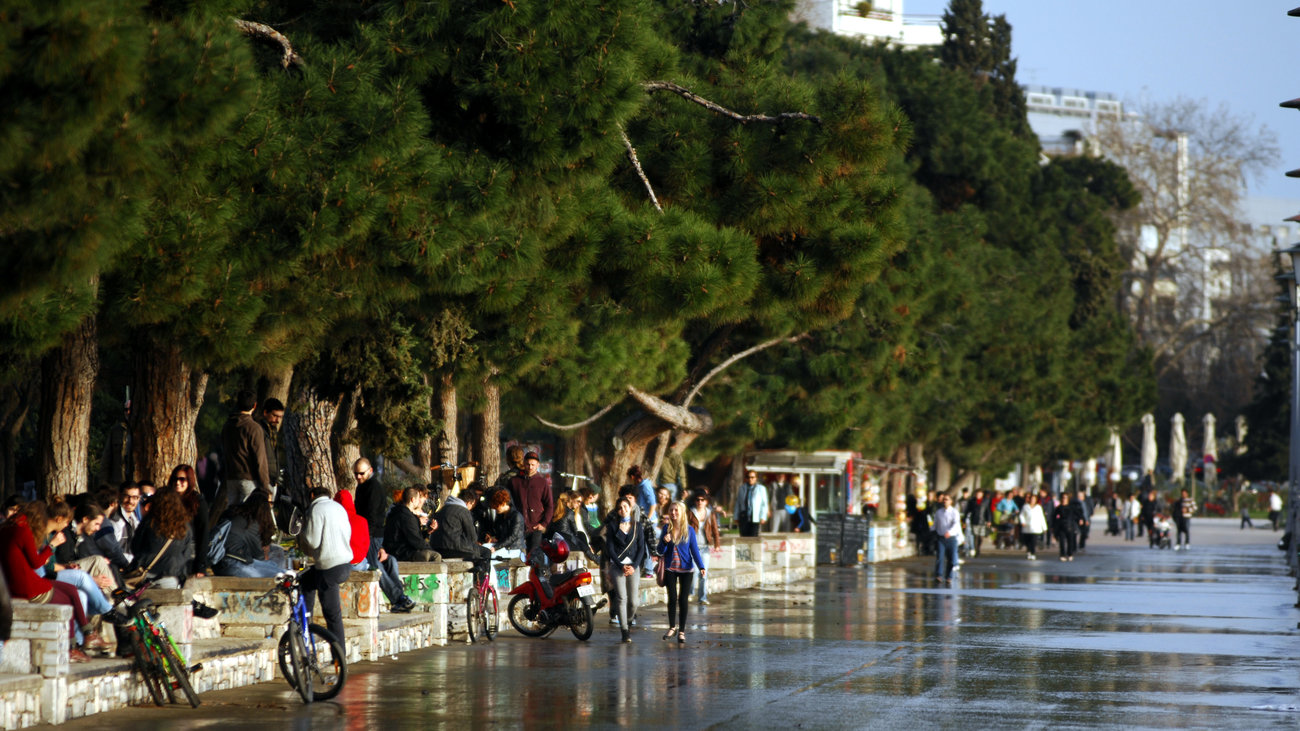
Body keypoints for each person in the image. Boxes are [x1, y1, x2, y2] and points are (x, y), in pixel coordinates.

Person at [0, 500, 109, 662]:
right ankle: (71, 647)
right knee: (68, 599)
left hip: (19, 582)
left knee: (72, 590)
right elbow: (36, 562)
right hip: (27, 587)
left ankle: (88, 634)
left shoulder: (7, 529)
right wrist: (51, 546)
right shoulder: (23, 531)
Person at [335, 488, 414, 612]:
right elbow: (366, 544)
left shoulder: (337, 521)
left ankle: (400, 598)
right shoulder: (360, 521)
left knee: (390, 560)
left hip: (351, 561)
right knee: (376, 566)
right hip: (355, 562)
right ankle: (399, 599)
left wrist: (380, 549)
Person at [299, 487, 352, 643]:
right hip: (345, 564)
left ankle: (339, 659)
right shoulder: (339, 507)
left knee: (332, 615)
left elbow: (312, 541)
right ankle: (306, 621)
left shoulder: (316, 509)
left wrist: (302, 532)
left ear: (312, 495)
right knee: (306, 580)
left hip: (329, 568)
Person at [656, 501, 705, 644]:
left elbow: (694, 550)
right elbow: (660, 551)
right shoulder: (666, 528)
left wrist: (701, 566)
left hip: (686, 569)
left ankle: (682, 631)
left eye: (676, 510)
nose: (673, 513)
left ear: (682, 512)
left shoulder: (689, 530)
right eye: (671, 510)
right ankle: (672, 627)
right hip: (670, 568)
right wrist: (664, 542)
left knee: (683, 599)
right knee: (672, 598)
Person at [131, 489, 196, 588]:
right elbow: (186, 554)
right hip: (172, 577)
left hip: (146, 574)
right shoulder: (185, 528)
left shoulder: (149, 522)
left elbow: (135, 546)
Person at [604, 496, 646, 643]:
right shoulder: (612, 526)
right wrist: (621, 565)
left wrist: (634, 567)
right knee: (622, 598)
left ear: (630, 508)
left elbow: (641, 549)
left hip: (633, 566)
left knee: (633, 602)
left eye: (625, 507)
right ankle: (624, 631)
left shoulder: (637, 526)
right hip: (618, 566)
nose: (623, 510)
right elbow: (610, 548)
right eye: (620, 508)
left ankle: (627, 621)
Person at [212, 490, 283, 578]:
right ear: (264, 508)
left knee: (273, 567)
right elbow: (258, 556)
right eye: (270, 503)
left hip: (217, 563)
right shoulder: (251, 523)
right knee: (277, 574)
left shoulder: (230, 513)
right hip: (232, 564)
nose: (271, 507)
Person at [221, 389, 271, 507]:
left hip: (231, 478)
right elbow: (260, 459)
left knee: (232, 517)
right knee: (248, 519)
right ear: (254, 405)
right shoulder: (253, 428)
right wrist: (265, 488)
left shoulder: (228, 426)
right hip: (249, 479)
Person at [166, 464, 211, 577]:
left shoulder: (198, 502)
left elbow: (203, 533)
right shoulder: (166, 500)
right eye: (175, 479)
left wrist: (200, 565)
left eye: (182, 479)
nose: (177, 483)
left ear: (189, 481)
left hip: (190, 551)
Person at [508, 452, 554, 554]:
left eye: (533, 465)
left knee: (534, 555)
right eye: (528, 464)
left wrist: (544, 523)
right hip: (518, 525)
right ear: (524, 464)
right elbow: (509, 503)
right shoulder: (514, 481)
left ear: (538, 465)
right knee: (517, 556)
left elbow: (549, 505)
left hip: (536, 526)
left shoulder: (542, 482)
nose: (530, 467)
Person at [429, 487, 490, 562]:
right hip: (455, 548)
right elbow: (472, 537)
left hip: (436, 547)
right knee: (486, 552)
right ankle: (484, 573)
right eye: (472, 505)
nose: (471, 508)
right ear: (469, 502)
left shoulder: (442, 509)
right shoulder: (463, 511)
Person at [383, 486, 440, 562]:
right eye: (418, 499)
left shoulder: (397, 512)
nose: (420, 502)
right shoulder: (406, 517)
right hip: (401, 553)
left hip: (397, 550)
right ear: (412, 500)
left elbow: (411, 536)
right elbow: (416, 541)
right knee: (435, 556)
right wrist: (430, 549)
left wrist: (427, 532)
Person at [690, 490, 721, 606]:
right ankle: (690, 593)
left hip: (705, 548)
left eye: (702, 500)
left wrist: (717, 544)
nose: (700, 502)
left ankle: (702, 597)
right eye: (697, 500)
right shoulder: (690, 513)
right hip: (693, 548)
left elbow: (715, 530)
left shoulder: (710, 514)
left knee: (704, 573)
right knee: (693, 572)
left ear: (706, 501)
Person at [482, 488, 525, 559]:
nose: (495, 509)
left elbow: (512, 537)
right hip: (505, 547)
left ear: (504, 503)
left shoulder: (516, 516)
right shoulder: (501, 516)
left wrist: (496, 547)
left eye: (497, 506)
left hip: (514, 548)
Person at [931, 493, 960, 585]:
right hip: (941, 538)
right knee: (940, 556)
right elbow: (935, 524)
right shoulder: (939, 512)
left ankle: (949, 576)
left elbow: (956, 524)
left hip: (951, 538)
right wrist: (930, 529)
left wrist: (950, 532)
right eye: (944, 499)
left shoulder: (954, 512)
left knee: (951, 558)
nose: (944, 501)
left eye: (947, 499)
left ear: (951, 501)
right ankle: (939, 575)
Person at [733, 470, 770, 538]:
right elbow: (738, 503)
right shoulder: (742, 488)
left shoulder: (761, 489)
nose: (750, 479)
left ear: (756, 478)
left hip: (755, 516)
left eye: (752, 477)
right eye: (748, 477)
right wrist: (736, 516)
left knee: (754, 537)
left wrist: (763, 516)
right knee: (744, 537)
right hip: (744, 516)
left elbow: (764, 504)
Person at [1052, 492, 1085, 561]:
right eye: (1063, 498)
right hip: (1061, 526)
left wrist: (1081, 519)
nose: (1064, 499)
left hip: (1070, 526)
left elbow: (1079, 514)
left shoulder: (1072, 507)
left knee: (1070, 541)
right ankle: (1062, 554)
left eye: (1065, 498)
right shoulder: (1059, 508)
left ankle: (1070, 554)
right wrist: (1053, 526)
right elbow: (1054, 517)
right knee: (1062, 542)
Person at [1018, 493, 1048, 560]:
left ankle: (1033, 553)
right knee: (1027, 541)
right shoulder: (1025, 507)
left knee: (1033, 541)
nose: (1032, 500)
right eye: (1031, 499)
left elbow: (1041, 517)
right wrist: (1022, 522)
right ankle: (1028, 551)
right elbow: (1021, 515)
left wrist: (1044, 527)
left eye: (1034, 499)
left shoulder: (1038, 507)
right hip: (1027, 527)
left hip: (1035, 527)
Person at [963, 489, 991, 557]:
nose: (978, 495)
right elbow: (967, 511)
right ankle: (976, 550)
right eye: (977, 494)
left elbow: (988, 511)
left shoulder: (985, 501)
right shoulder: (972, 501)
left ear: (982, 495)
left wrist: (989, 520)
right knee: (975, 536)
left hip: (982, 521)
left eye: (979, 494)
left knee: (980, 537)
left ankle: (978, 548)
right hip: (974, 520)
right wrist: (964, 520)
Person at [659, 436, 687, 503]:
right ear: (675, 444)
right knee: (671, 507)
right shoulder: (677, 457)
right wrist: (684, 488)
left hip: (662, 485)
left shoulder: (660, 455)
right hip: (673, 486)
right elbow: (681, 475)